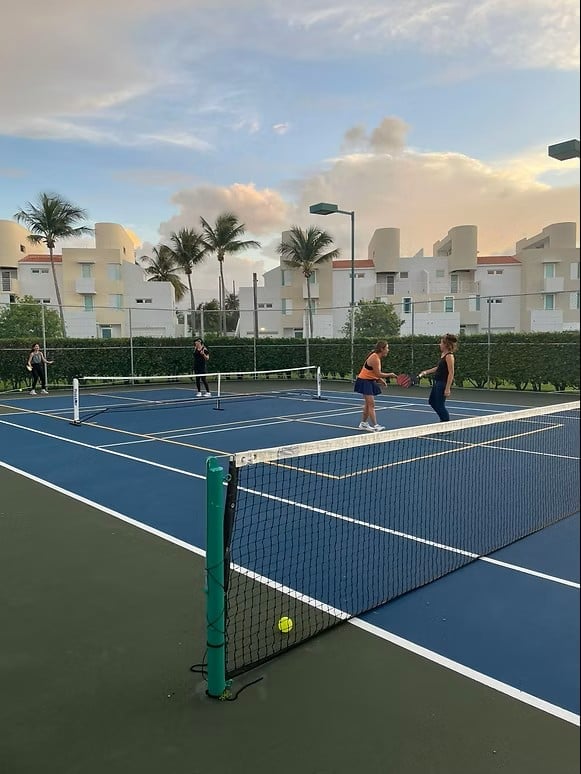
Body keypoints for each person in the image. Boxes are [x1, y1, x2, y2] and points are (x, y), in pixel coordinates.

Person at [353, 340, 397, 432]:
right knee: (371, 404)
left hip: (369, 380)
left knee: (367, 405)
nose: (388, 350)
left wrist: (380, 380)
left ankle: (363, 424)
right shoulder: (375, 358)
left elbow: (374, 373)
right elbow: (378, 373)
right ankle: (376, 425)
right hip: (364, 381)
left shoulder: (376, 357)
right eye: (387, 348)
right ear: (382, 349)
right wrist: (390, 375)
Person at [418, 333, 459, 422]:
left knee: (440, 405)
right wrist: (425, 372)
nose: (439, 345)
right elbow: (438, 368)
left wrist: (447, 389)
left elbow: (451, 373)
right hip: (437, 382)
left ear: (446, 345)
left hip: (443, 384)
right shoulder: (443, 355)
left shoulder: (449, 356)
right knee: (432, 402)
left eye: (441, 343)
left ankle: (446, 424)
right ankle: (443, 421)